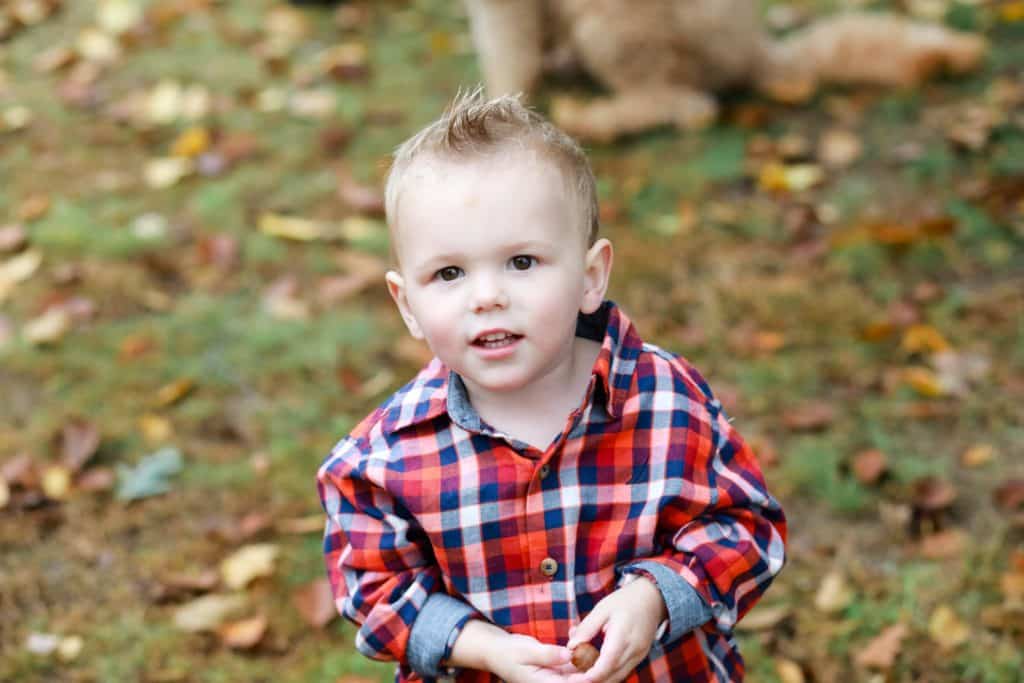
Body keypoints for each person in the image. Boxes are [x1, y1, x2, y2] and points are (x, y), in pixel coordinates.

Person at [316, 89, 787, 683]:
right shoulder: (383, 460)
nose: (487, 297)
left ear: (590, 277)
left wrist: (657, 597)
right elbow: (371, 588)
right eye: (450, 273)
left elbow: (746, 528)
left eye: (522, 262)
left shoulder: (668, 401)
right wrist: (480, 645)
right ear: (407, 304)